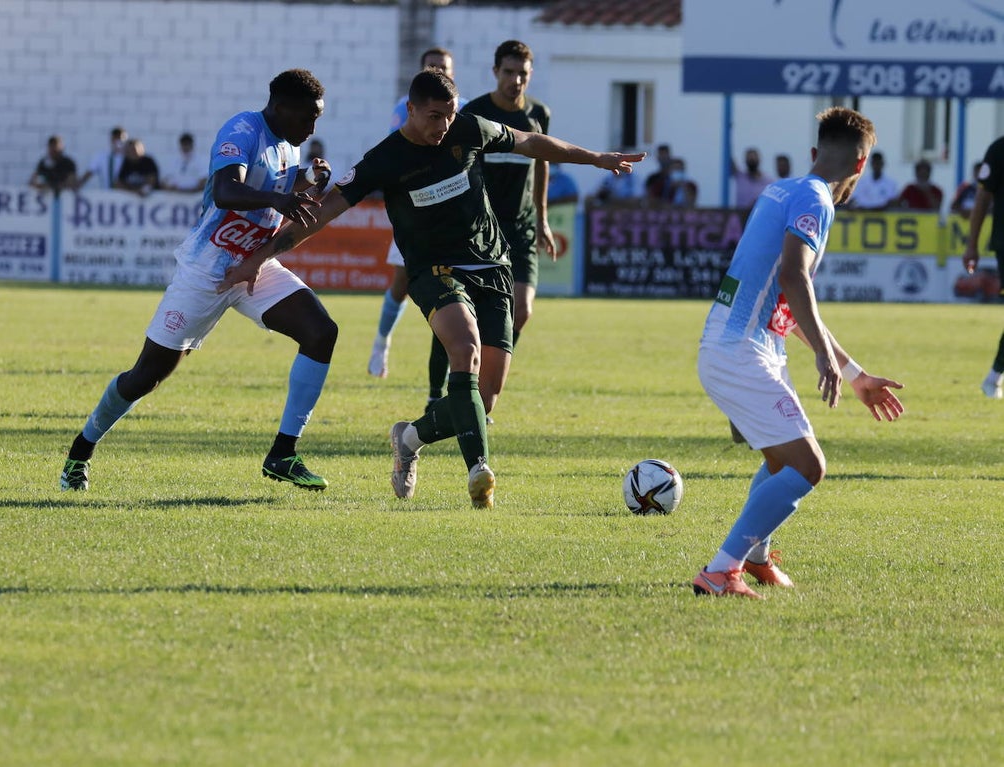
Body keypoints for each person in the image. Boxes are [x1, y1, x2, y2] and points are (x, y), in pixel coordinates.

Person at [216, 70, 644, 509]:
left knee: (484, 399)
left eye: (449, 115)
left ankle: (409, 437)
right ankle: (479, 472)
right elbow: (321, 214)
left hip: (492, 264)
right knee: (466, 349)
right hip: (434, 270)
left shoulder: (469, 129)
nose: (443, 125)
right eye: (434, 116)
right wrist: (257, 258)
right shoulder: (385, 158)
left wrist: (596, 158)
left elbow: (530, 142)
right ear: (412, 109)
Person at [59, 69, 336, 493]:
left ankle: (283, 453)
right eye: (307, 118)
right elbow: (226, 190)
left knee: (321, 332)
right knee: (146, 376)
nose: (312, 129)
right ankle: (81, 450)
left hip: (253, 266)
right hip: (208, 269)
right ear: (281, 107)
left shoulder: (288, 143)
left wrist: (307, 181)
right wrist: (279, 198)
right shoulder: (242, 130)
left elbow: (274, 186)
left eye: (316, 119)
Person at [693, 106, 905, 599]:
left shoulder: (782, 189)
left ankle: (758, 558)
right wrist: (825, 360)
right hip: (741, 349)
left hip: (740, 343)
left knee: (779, 460)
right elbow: (795, 276)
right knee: (808, 467)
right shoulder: (816, 199)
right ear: (861, 164)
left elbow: (787, 303)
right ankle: (721, 570)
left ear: (814, 152)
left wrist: (854, 373)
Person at [369, 47, 463, 383]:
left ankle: (456, 374)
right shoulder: (404, 106)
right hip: (415, 213)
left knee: (458, 292)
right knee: (402, 284)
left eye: (444, 67)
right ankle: (382, 342)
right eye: (432, 67)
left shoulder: (463, 109)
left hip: (453, 218)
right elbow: (398, 152)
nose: (439, 71)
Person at [462, 39, 553, 349]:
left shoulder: (539, 114)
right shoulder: (475, 113)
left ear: (531, 74)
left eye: (523, 73)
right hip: (483, 228)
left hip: (522, 226)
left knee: (522, 310)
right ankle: (466, 366)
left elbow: (543, 163)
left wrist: (542, 218)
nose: (516, 80)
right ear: (495, 71)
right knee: (473, 311)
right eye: (509, 72)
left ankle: (494, 363)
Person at [961, 136, 1004, 399]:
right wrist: (971, 245)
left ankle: (994, 377)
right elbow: (982, 197)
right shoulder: (999, 149)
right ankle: (993, 377)